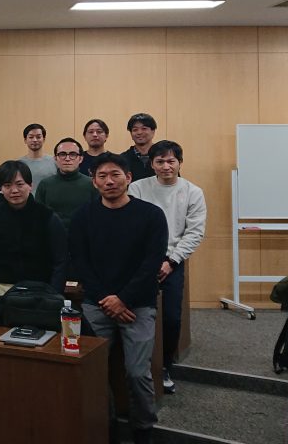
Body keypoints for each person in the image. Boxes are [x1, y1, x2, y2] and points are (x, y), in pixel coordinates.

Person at [69, 153, 167, 444]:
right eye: (102, 176)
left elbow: (151, 264)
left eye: (115, 175)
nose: (109, 181)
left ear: (129, 178)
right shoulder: (83, 216)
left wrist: (122, 299)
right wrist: (107, 299)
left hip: (137, 305)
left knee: (137, 373)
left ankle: (143, 429)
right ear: (94, 181)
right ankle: (106, 425)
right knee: (92, 370)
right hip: (96, 304)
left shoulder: (151, 215)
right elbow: (80, 262)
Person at [128, 140, 207, 395]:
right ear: (151, 164)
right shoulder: (137, 188)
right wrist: (150, 260)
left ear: (180, 163)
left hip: (172, 261)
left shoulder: (193, 192)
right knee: (136, 313)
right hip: (141, 260)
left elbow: (194, 232)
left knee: (171, 317)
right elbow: (133, 227)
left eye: (171, 161)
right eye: (160, 161)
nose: (165, 166)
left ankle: (165, 367)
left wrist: (171, 261)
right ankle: (140, 366)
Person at [0, 160, 67, 306]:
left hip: (42, 291)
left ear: (30, 185)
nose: (14, 190)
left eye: (19, 184)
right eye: (7, 185)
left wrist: (54, 296)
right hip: (3, 289)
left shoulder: (47, 216)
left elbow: (61, 260)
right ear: (1, 188)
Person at [34, 137, 96, 230]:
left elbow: (97, 215)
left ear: (80, 159)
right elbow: (38, 217)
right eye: (62, 154)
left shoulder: (92, 184)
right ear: (55, 158)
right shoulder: (45, 184)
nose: (67, 159)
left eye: (73, 154)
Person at [18, 123, 56, 190]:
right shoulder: (19, 164)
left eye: (38, 137)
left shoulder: (55, 161)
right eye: (31, 137)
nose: (35, 140)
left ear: (44, 139)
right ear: (25, 140)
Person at [123, 113, 158, 181]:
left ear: (153, 131)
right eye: (135, 130)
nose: (139, 132)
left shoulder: (163, 156)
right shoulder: (123, 159)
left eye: (144, 128)